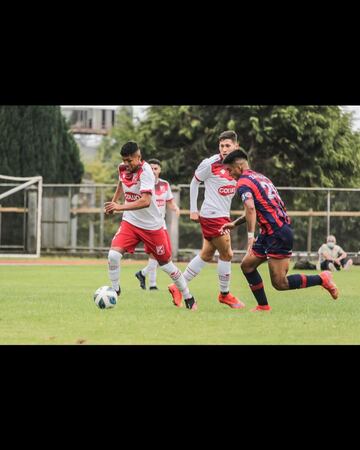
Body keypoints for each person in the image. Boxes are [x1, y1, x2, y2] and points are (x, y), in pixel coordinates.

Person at [220, 149, 340, 312]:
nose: (228, 174)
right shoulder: (260, 177)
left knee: (280, 283)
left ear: (239, 166)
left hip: (278, 233)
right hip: (269, 232)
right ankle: (263, 306)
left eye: (229, 170)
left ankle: (322, 278)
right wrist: (234, 223)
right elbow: (257, 208)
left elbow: (250, 208)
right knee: (247, 266)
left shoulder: (243, 182)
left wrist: (250, 236)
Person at [104, 141, 197, 310]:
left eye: (129, 161)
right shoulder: (123, 168)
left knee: (167, 265)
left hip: (152, 226)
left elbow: (145, 201)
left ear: (138, 157)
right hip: (130, 222)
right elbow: (121, 183)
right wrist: (114, 202)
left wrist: (119, 207)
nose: (126, 164)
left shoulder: (146, 172)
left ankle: (188, 297)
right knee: (113, 256)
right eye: (123, 160)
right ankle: (115, 291)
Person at [168, 130, 245, 309]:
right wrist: (193, 210)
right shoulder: (210, 163)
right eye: (222, 146)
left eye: (228, 146)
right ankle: (225, 295)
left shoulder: (238, 165)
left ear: (236, 146)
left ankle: (177, 286)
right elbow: (195, 182)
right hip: (212, 215)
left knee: (207, 254)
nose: (225, 149)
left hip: (222, 215)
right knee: (227, 254)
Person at [135, 158, 180, 290]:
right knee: (154, 255)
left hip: (161, 224)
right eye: (151, 168)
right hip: (148, 224)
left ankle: (143, 274)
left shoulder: (165, 184)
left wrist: (176, 208)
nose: (154, 171)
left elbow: (170, 201)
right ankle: (152, 284)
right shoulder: (143, 184)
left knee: (163, 255)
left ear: (160, 170)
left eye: (156, 168)